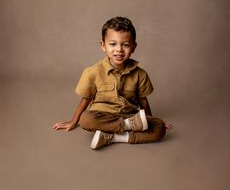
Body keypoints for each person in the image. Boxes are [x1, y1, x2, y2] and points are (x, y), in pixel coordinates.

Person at [53, 16, 172, 149]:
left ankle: (112, 137)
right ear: (103, 45)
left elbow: (143, 101)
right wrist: (73, 122)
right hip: (103, 117)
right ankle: (126, 127)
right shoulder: (92, 72)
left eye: (125, 45)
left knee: (160, 128)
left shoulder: (140, 74)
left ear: (133, 47)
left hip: (131, 116)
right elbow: (85, 100)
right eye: (113, 44)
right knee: (85, 119)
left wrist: (150, 120)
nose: (119, 49)